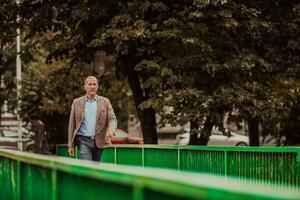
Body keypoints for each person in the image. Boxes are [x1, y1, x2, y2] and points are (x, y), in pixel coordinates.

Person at [68, 76, 117, 161]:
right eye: (90, 84)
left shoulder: (105, 101)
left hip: (99, 140)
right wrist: (70, 145)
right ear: (85, 86)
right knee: (87, 166)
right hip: (83, 140)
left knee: (95, 168)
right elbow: (72, 124)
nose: (92, 86)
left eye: (94, 84)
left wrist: (111, 130)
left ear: (97, 86)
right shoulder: (76, 102)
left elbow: (112, 119)